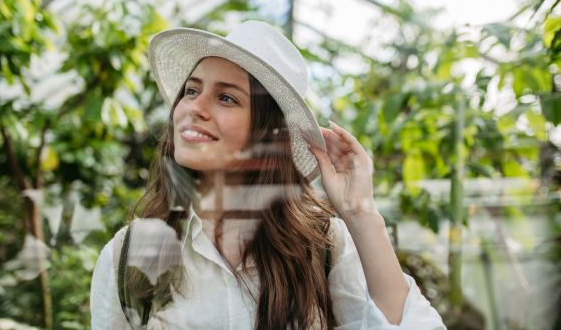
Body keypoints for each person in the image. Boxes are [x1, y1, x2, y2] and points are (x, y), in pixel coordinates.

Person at [90, 20, 446, 329]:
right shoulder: (129, 253)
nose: (193, 108)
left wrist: (362, 214)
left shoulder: (322, 245)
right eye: (191, 90)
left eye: (226, 98)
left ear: (266, 131)